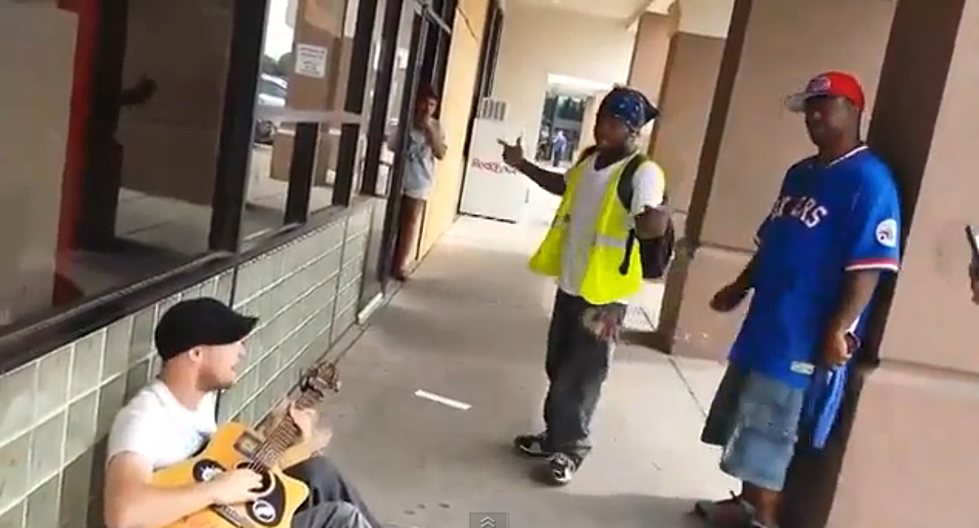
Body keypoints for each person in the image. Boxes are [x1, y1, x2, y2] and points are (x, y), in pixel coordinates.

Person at [693, 71, 901, 528]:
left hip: (802, 336)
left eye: (826, 104)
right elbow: (773, 240)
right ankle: (745, 503)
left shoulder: (870, 181)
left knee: (773, 430)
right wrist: (740, 285)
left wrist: (838, 328)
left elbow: (869, 267)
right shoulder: (800, 173)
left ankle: (764, 518)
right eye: (810, 106)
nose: (814, 114)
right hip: (767, 323)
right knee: (745, 418)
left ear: (854, 111)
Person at [498, 86, 670, 485]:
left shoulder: (643, 173)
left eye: (612, 121)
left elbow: (650, 221)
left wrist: (654, 223)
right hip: (574, 284)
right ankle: (554, 435)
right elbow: (564, 186)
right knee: (558, 365)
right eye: (599, 119)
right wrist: (521, 164)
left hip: (607, 297)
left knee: (583, 375)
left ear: (632, 130)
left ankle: (570, 451)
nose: (601, 127)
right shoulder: (591, 160)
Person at [102, 297, 383, 528]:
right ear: (196, 354)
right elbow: (124, 516)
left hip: (220, 517)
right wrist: (215, 490)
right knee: (342, 519)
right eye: (232, 340)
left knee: (320, 473)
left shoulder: (201, 402)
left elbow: (213, 470)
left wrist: (286, 444)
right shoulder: (143, 419)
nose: (242, 351)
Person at [391, 83, 447, 282]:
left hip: (420, 182)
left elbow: (441, 153)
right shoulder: (405, 123)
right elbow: (392, 145)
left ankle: (400, 265)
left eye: (432, 105)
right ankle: (389, 259)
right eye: (424, 104)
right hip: (399, 179)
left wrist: (430, 132)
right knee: (394, 221)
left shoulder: (436, 126)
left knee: (410, 223)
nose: (427, 108)